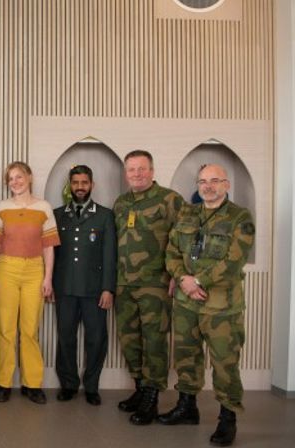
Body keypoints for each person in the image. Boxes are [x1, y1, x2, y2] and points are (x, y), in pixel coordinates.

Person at [160, 164, 254, 447]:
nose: (208, 186)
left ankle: (228, 419)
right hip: (187, 303)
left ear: (226, 184)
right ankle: (187, 407)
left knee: (225, 363)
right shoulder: (188, 213)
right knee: (186, 356)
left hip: (221, 308)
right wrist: (182, 278)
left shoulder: (240, 217)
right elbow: (172, 251)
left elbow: (234, 261)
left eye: (214, 181)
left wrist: (196, 280)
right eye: (203, 181)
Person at [113, 150, 184, 425]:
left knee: (154, 341)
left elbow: (183, 240)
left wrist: (179, 274)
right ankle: (140, 389)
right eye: (131, 170)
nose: (137, 174)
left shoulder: (170, 199)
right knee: (129, 339)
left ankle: (152, 397)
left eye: (142, 169)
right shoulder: (121, 203)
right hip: (124, 284)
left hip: (156, 283)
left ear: (152, 171)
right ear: (126, 173)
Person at [0, 161, 60, 404]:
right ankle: (4, 382)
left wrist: (48, 278)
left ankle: (32, 384)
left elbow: (49, 247)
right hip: (6, 269)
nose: (15, 182)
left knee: (30, 331)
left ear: (29, 177)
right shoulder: (2, 208)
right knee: (6, 330)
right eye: (10, 179)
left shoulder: (44, 207)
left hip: (34, 271)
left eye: (19, 177)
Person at [52, 165, 116, 406]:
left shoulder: (104, 215)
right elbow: (51, 254)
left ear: (92, 185)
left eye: (84, 182)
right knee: (66, 337)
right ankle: (68, 384)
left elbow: (109, 255)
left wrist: (108, 288)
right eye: (76, 182)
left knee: (96, 338)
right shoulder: (57, 215)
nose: (80, 187)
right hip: (65, 288)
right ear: (70, 185)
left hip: (94, 290)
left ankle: (91, 386)